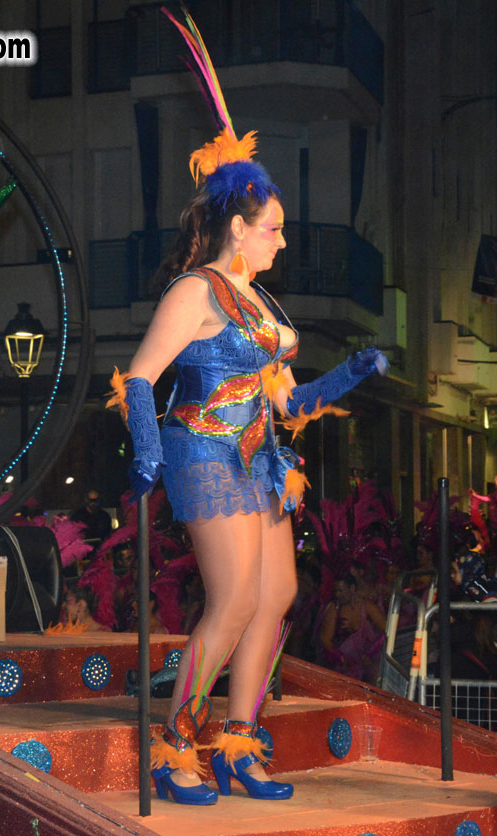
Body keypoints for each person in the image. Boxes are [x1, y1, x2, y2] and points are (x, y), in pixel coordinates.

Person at [106, 9, 385, 806]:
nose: (282, 242)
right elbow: (140, 377)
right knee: (231, 601)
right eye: (273, 230)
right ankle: (173, 748)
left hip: (262, 458)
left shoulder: (260, 301)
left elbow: (288, 399)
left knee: (276, 598)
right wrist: (146, 451)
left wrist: (347, 377)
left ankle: (236, 741)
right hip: (200, 451)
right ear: (238, 227)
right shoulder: (194, 291)